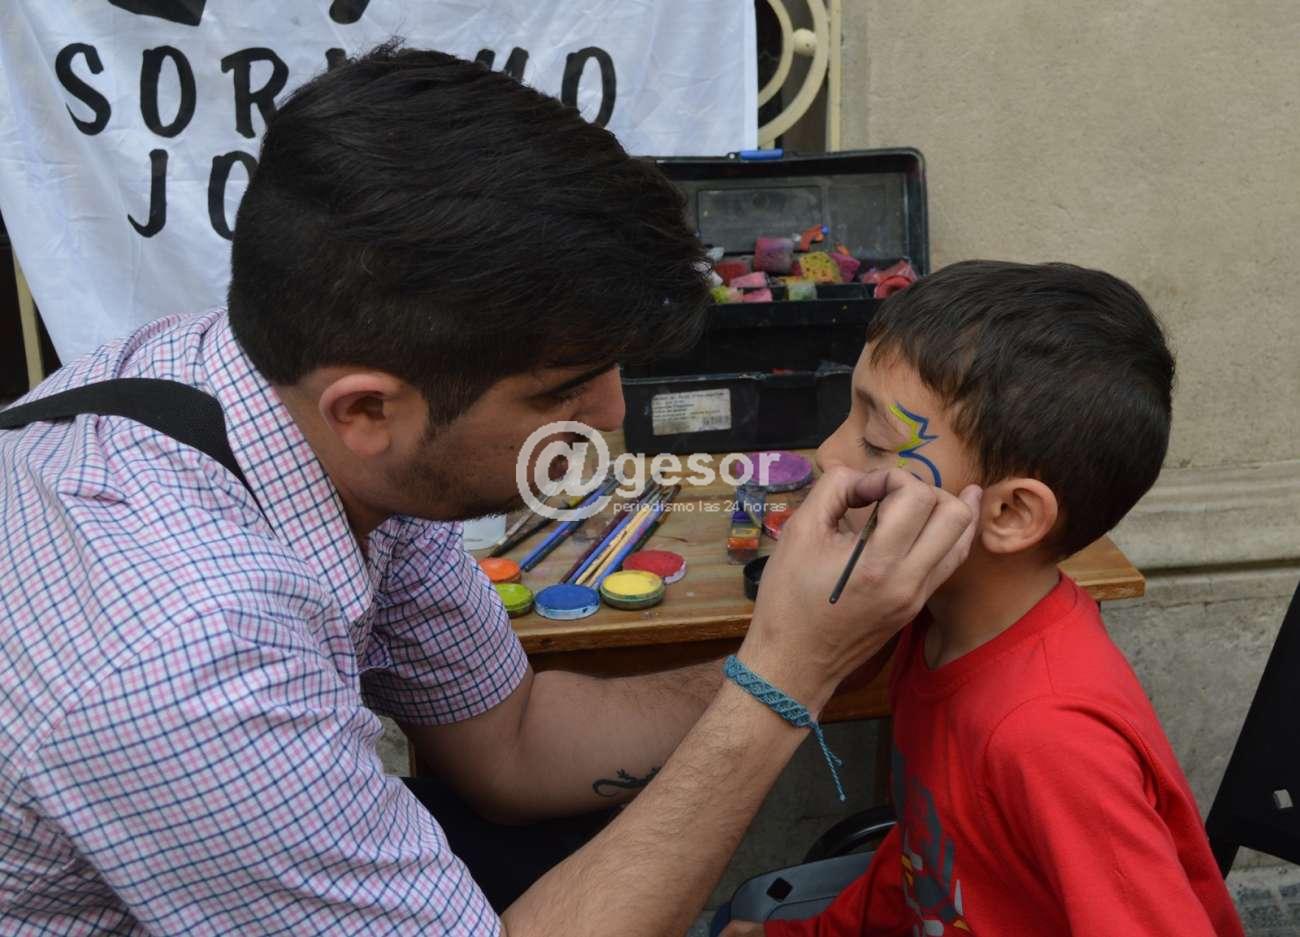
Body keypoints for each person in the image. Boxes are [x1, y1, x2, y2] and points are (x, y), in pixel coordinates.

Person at [0, 45, 981, 936]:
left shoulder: (302, 411)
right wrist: (787, 679)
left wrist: (799, 645)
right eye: (561, 391)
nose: (611, 414)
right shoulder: (189, 662)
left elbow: (511, 746)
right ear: (368, 408)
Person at [722, 261, 1244, 936]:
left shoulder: (1050, 738)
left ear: (1010, 514)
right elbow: (931, 863)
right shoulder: (933, 627)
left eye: (875, 441)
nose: (828, 453)